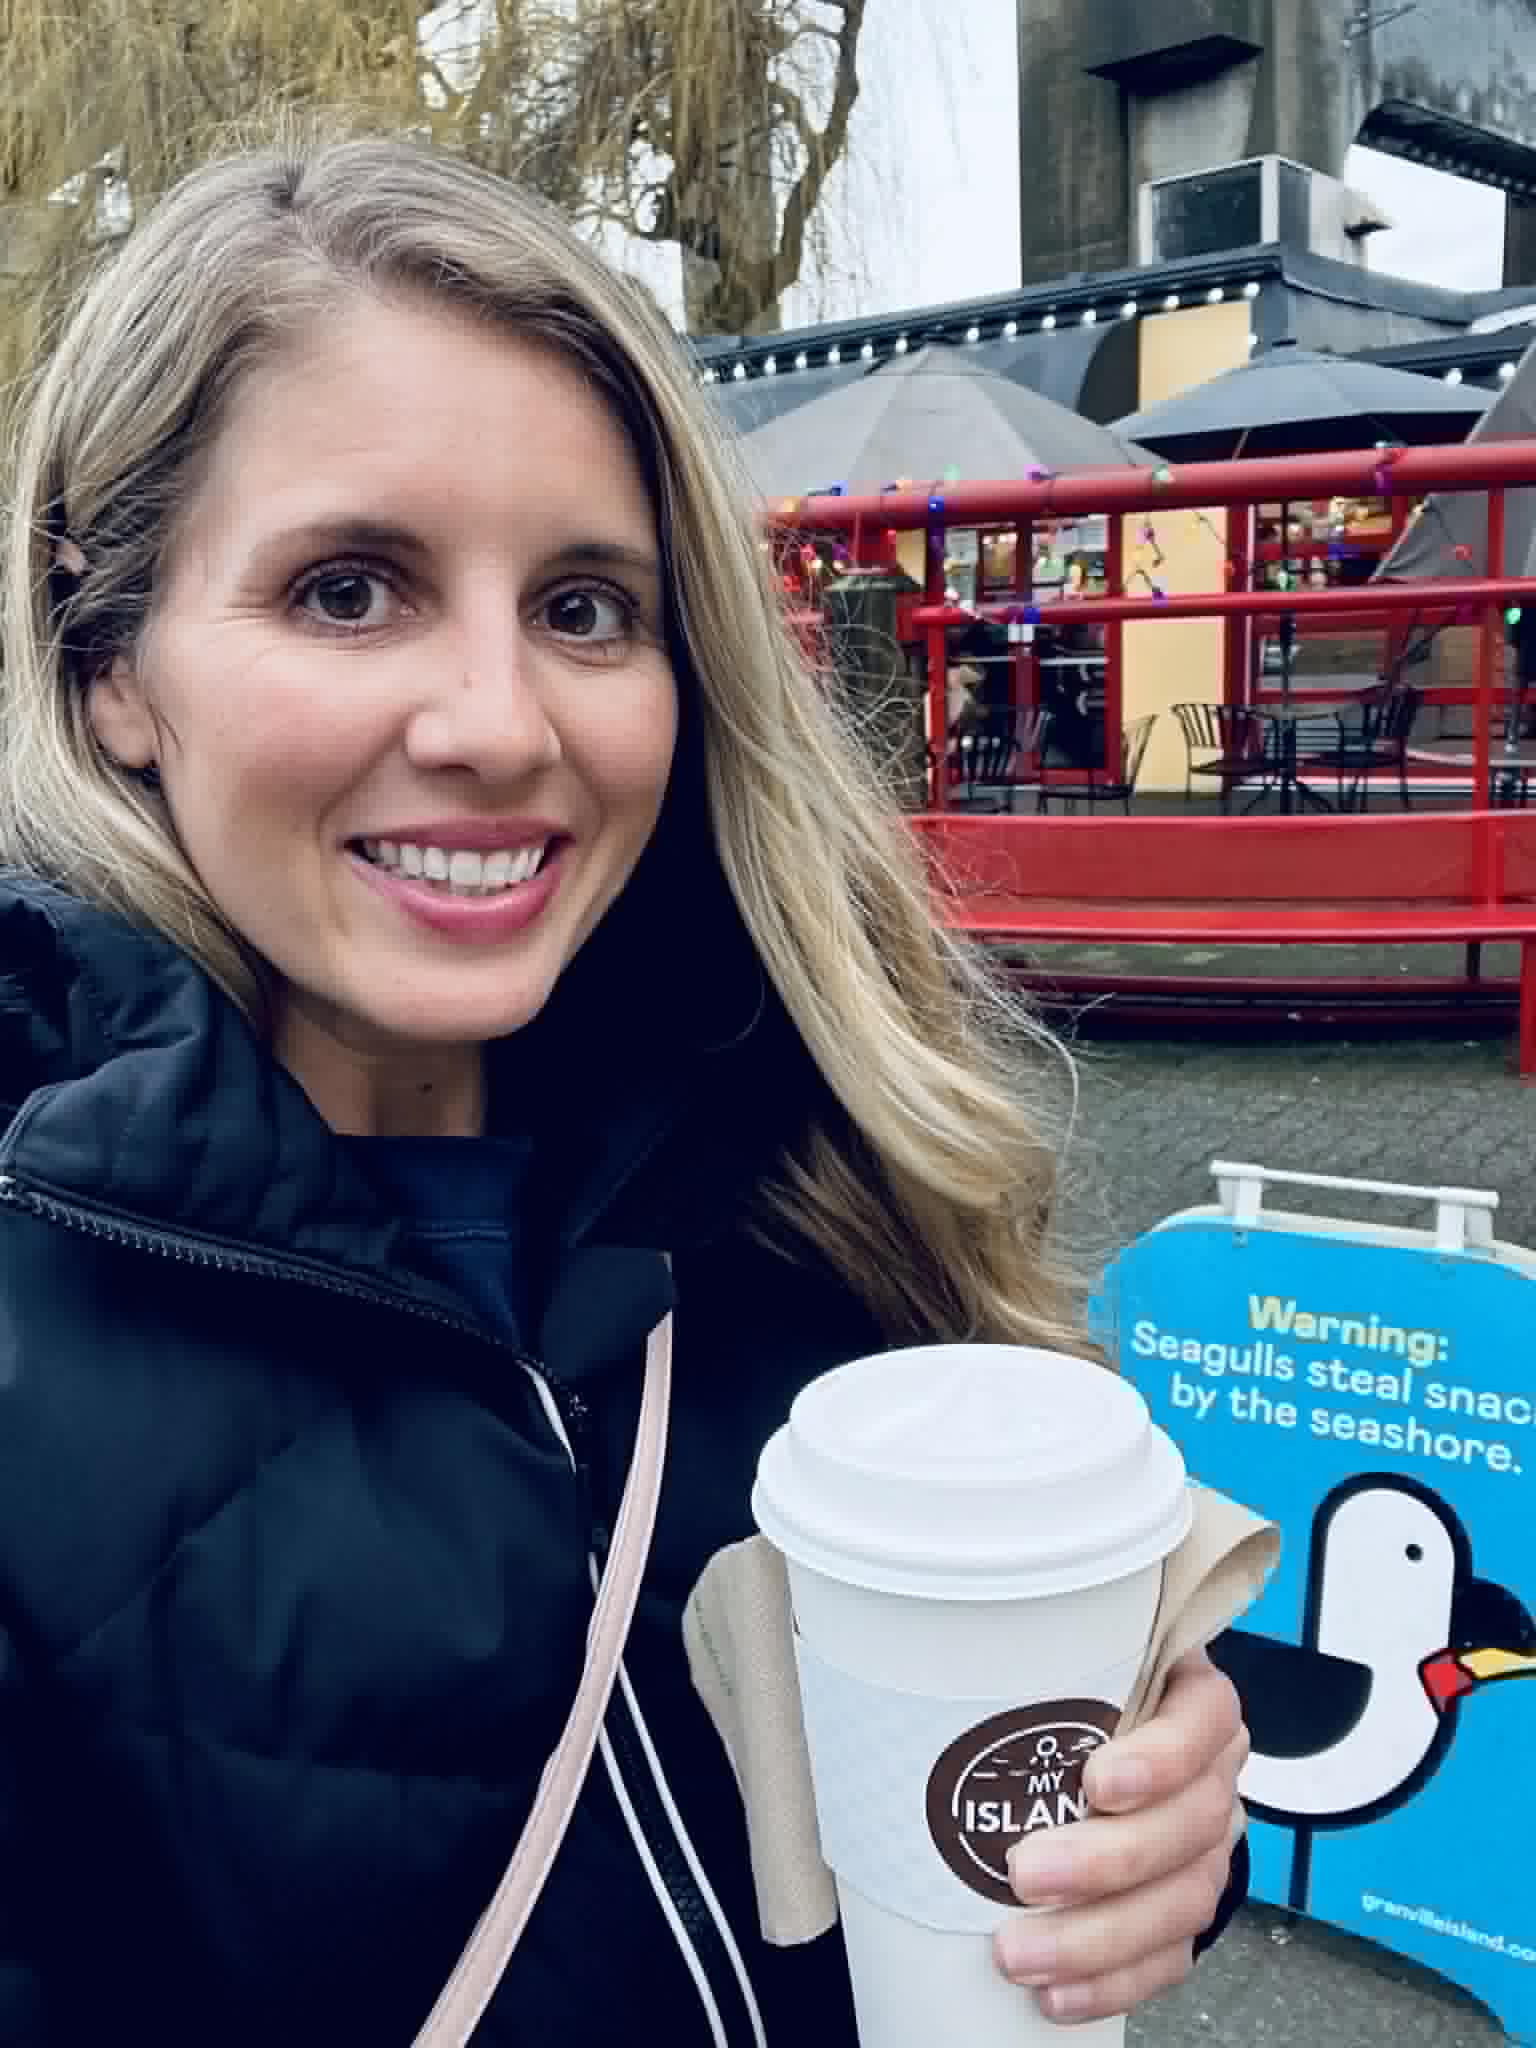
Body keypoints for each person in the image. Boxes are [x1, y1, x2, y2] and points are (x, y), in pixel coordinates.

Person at [0, 132, 1249, 2046]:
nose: (500, 723)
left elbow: (941, 1824)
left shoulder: (799, 1171)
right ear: (112, 667)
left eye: (587, 608)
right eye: (349, 590)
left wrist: (1147, 1835)